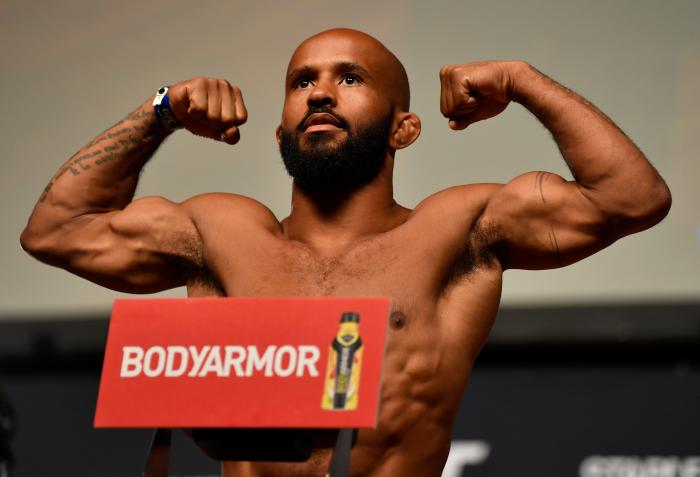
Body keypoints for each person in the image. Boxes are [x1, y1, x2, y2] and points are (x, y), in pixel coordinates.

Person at [20, 28, 671, 476]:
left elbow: (631, 197)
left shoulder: (455, 231)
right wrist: (160, 110)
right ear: (282, 127)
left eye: (350, 78)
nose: (321, 91)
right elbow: (56, 229)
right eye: (303, 81)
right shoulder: (220, 232)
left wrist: (521, 79)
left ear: (403, 127)